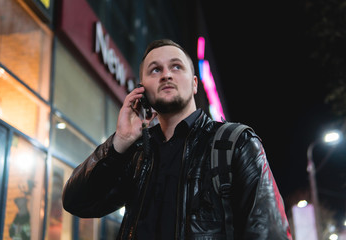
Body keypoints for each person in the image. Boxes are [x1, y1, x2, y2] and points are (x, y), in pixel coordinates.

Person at [62, 39, 292, 239]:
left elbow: (269, 232)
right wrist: (120, 141)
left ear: (194, 84)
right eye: (155, 70)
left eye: (176, 66)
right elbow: (76, 201)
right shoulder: (137, 154)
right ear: (142, 90)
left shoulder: (235, 142)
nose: (166, 74)